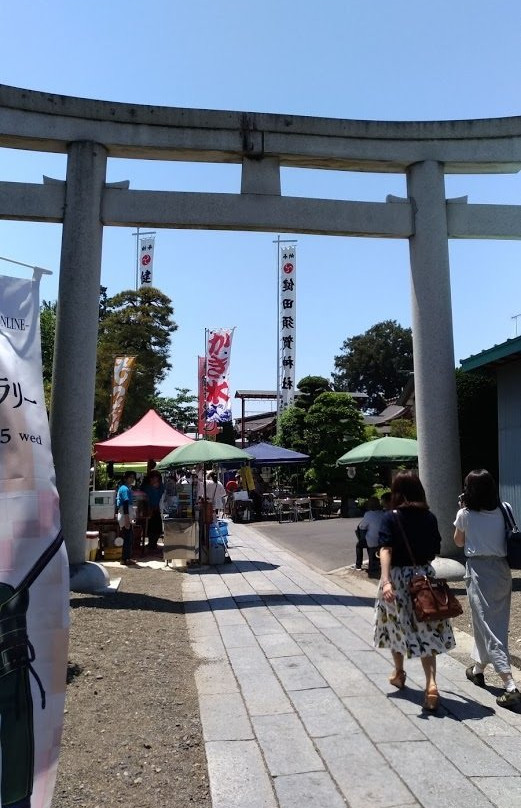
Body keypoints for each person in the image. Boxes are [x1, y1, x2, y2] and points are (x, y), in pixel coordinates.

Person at [374, 471, 455, 712]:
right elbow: (434, 549)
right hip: (424, 577)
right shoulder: (429, 517)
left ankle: (399, 673)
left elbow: (386, 549)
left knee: (395, 626)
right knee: (426, 628)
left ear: (397, 491)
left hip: (398, 578)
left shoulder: (391, 517)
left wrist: (386, 580)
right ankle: (431, 685)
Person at [453, 469, 520, 710]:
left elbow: (458, 541)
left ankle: (510, 684)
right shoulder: (506, 508)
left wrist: (462, 511)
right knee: (487, 621)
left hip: (480, 571)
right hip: (502, 570)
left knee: (489, 626)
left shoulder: (465, 514)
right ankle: (478, 669)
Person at [354, 495, 388, 577]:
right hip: (382, 540)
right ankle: (372, 559)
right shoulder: (383, 513)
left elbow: (362, 526)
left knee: (359, 545)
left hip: (372, 541)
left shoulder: (368, 514)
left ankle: (358, 565)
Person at [141, 469, 165, 554]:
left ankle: (153, 543)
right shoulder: (146, 486)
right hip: (147, 509)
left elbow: (162, 493)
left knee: (157, 528)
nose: (154, 480)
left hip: (157, 508)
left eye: (156, 478)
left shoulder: (161, 486)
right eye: (153, 478)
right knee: (149, 528)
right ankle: (151, 543)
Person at [116, 471, 136, 565]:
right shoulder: (124, 489)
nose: (132, 479)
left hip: (125, 515)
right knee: (127, 538)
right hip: (125, 515)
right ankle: (125, 559)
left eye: (133, 477)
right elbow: (125, 504)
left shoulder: (126, 488)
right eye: (130, 477)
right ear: (125, 478)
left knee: (128, 537)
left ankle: (126, 558)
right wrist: (127, 519)